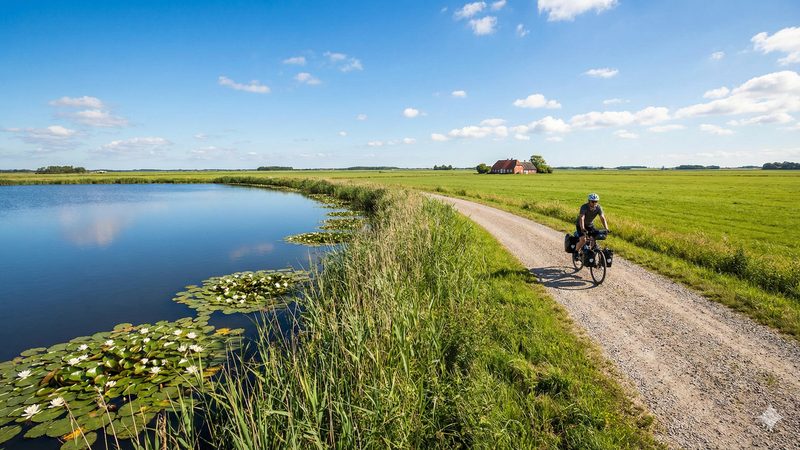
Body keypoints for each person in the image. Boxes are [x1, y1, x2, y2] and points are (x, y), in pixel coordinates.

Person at [575, 193, 609, 258]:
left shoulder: (598, 207)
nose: (594, 203)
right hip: (580, 225)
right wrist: (582, 228)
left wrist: (606, 228)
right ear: (589, 201)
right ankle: (576, 252)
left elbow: (602, 217)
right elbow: (582, 218)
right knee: (583, 239)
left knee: (594, 238)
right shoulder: (584, 207)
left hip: (590, 225)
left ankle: (591, 254)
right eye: (592, 201)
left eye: (596, 201)